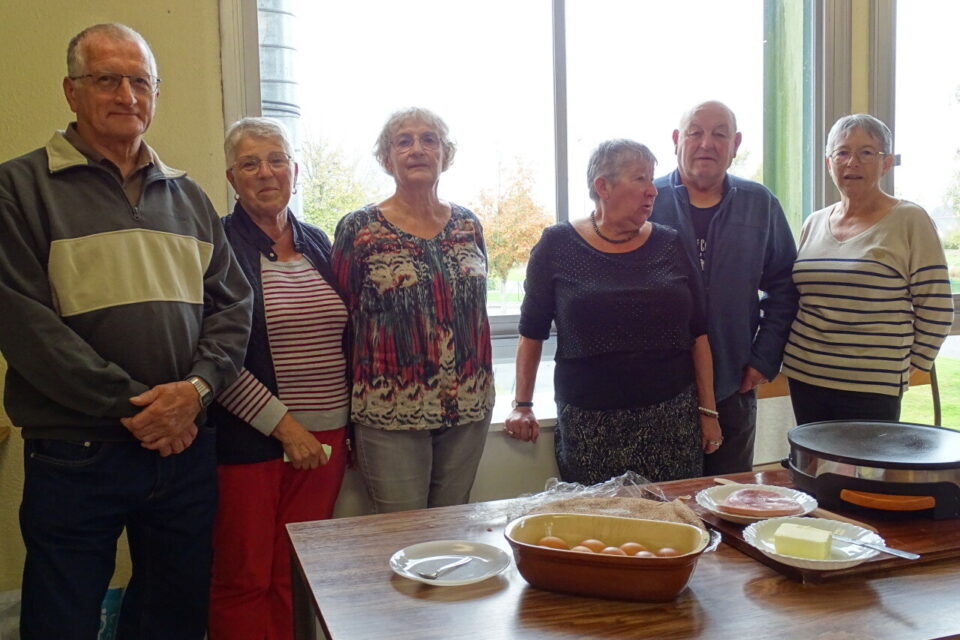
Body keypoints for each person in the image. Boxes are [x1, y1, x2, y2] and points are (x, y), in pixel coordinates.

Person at [0, 24, 252, 639]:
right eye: (106, 79)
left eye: (141, 81)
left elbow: (232, 308)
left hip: (184, 450)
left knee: (174, 617)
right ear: (71, 91)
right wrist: (145, 408)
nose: (127, 95)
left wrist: (194, 392)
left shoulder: (189, 196)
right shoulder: (18, 189)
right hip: (77, 452)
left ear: (156, 94)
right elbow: (27, 327)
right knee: (60, 620)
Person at [504, 139, 721, 484]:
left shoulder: (671, 242)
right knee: (597, 516)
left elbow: (698, 334)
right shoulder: (557, 244)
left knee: (672, 513)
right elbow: (531, 332)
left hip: (671, 420)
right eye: (640, 178)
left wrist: (708, 413)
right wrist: (522, 404)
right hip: (590, 423)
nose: (652, 190)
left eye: (651, 179)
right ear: (603, 186)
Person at [207, 118, 350, 639]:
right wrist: (286, 428)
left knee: (297, 571)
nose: (266, 173)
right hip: (252, 438)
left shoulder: (318, 242)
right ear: (232, 177)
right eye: (250, 163)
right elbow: (214, 354)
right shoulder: (217, 245)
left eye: (276, 160)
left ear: (294, 170)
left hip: (327, 437)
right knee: (243, 576)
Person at [331, 107, 494, 513]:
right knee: (403, 535)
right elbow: (342, 322)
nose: (417, 149)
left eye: (429, 140)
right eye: (403, 141)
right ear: (387, 158)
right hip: (389, 412)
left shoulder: (468, 225)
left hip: (468, 409)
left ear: (445, 154)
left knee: (452, 530)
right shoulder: (359, 228)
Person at [650, 101, 798, 475]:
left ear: (736, 143)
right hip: (660, 391)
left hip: (735, 384)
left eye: (719, 134)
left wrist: (763, 359)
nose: (706, 143)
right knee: (664, 500)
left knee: (728, 497)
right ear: (676, 139)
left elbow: (784, 287)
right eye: (695, 132)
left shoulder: (759, 204)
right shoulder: (648, 202)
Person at [783, 114, 954, 424]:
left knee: (869, 458)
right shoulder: (814, 222)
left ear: (886, 163)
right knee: (811, 457)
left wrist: (910, 365)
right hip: (806, 375)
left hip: (873, 385)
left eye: (866, 152)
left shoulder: (910, 220)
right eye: (842, 152)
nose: (853, 162)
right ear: (829, 163)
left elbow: (937, 307)